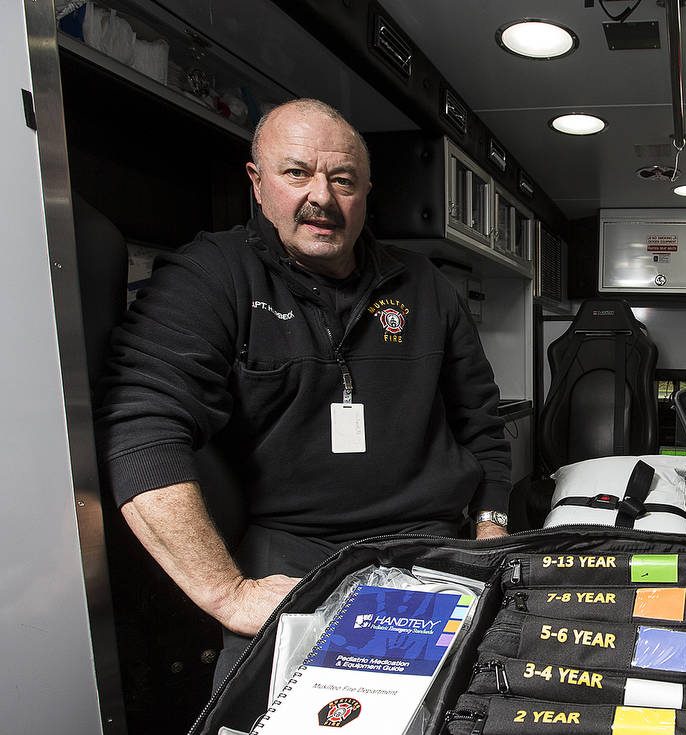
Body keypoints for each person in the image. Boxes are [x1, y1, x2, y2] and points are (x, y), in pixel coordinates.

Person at [96, 99, 511, 684]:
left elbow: (480, 420)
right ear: (257, 183)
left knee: (468, 711)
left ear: (366, 191)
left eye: (342, 180)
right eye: (296, 173)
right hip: (292, 551)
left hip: (430, 542)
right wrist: (227, 593)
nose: (321, 197)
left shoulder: (427, 286)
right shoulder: (211, 275)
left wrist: (490, 526)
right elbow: (140, 426)